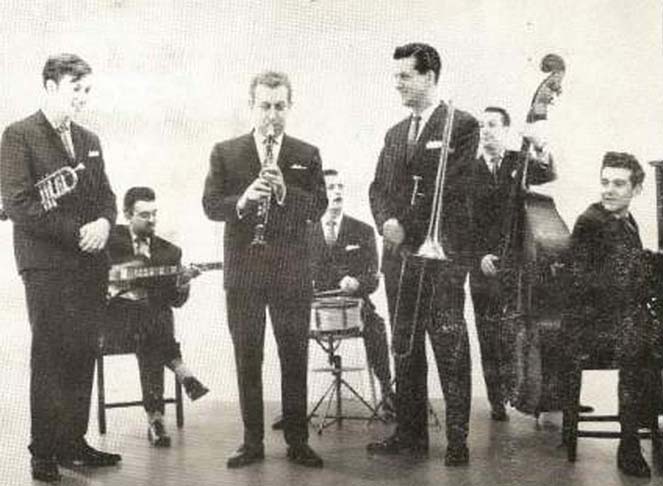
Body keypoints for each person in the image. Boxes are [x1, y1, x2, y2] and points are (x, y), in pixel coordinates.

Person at [0, 53, 121, 483]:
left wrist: (105, 223)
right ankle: (43, 451)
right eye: (76, 89)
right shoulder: (18, 135)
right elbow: (18, 204)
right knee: (50, 353)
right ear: (51, 87)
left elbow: (107, 196)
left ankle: (73, 442)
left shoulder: (89, 138)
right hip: (46, 264)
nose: (83, 98)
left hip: (88, 263)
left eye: (87, 90)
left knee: (83, 351)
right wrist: (77, 233)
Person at [202, 70, 327, 468]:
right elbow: (210, 205)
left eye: (280, 106)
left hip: (291, 273)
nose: (272, 115)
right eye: (265, 106)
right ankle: (251, 442)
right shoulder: (225, 152)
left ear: (289, 107)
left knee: (294, 357)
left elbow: (319, 206)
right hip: (244, 273)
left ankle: (297, 441)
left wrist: (285, 191)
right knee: (247, 358)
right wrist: (242, 201)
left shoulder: (306, 153)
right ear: (251, 106)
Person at [367, 43, 479, 466]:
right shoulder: (395, 133)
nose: (397, 84)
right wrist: (385, 223)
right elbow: (377, 188)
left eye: (405, 76)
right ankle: (409, 435)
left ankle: (457, 439)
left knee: (450, 349)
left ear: (429, 77)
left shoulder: (461, 126)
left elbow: (453, 190)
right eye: (395, 75)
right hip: (399, 259)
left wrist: (406, 226)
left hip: (440, 260)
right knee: (405, 348)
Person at [563, 152, 660, 478]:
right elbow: (584, 282)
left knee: (648, 334)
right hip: (588, 324)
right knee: (639, 342)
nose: (609, 190)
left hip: (619, 320)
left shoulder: (627, 222)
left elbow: (633, 271)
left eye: (619, 184)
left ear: (636, 189)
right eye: (605, 182)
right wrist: (644, 272)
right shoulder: (590, 221)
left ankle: (649, 423)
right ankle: (629, 445)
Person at [105, 187, 209, 448]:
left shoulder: (170, 253)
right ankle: (182, 374)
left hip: (151, 328)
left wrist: (183, 283)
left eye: (154, 214)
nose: (151, 220)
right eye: (144, 215)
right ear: (127, 214)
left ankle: (156, 421)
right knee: (150, 319)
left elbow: (175, 302)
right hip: (114, 325)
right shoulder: (109, 240)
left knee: (152, 319)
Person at [469, 106, 555, 421]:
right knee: (487, 334)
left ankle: (534, 396)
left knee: (524, 329)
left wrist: (540, 146)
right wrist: (478, 257)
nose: (485, 131)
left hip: (519, 265)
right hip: (483, 268)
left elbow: (547, 173)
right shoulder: (468, 169)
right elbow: (462, 223)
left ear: (506, 130)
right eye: (481, 125)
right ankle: (496, 400)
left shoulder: (520, 162)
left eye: (492, 124)